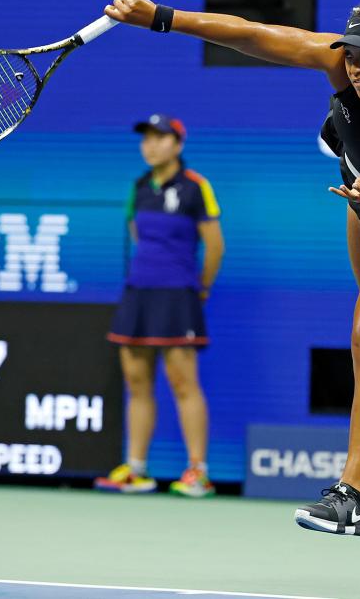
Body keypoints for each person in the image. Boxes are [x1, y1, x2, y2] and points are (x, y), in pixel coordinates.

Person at [104, 0, 360, 535]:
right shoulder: (337, 62)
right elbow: (250, 32)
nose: (355, 64)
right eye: (351, 53)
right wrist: (163, 18)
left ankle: (351, 495)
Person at [94, 113, 225, 498]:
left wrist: (200, 286)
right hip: (138, 293)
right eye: (146, 139)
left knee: (184, 383)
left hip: (178, 295)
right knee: (137, 382)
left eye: (159, 138)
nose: (150, 145)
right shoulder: (139, 187)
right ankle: (136, 469)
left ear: (177, 145)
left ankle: (197, 472)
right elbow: (137, 235)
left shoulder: (196, 187)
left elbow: (214, 245)